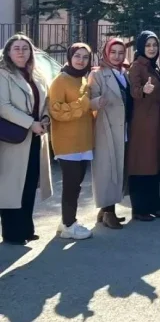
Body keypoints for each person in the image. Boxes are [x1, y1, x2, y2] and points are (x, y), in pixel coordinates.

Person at [0, 34, 53, 245]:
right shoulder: (3, 74)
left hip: (35, 137)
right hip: (13, 138)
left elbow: (46, 100)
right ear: (8, 52)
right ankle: (12, 233)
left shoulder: (36, 74)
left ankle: (26, 228)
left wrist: (46, 118)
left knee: (30, 182)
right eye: (16, 48)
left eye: (25, 48)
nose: (21, 52)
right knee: (12, 187)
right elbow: (3, 106)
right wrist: (30, 123)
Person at [49, 43, 95, 240]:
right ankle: (69, 225)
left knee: (77, 184)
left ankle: (66, 221)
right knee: (71, 185)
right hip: (67, 142)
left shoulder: (83, 79)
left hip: (84, 141)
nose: (81, 60)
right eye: (77, 56)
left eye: (85, 57)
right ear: (69, 57)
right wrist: (84, 104)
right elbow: (56, 111)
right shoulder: (60, 81)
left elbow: (87, 110)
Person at [89, 37, 131, 229]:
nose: (117, 56)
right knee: (108, 170)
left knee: (119, 168)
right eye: (113, 52)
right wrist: (98, 102)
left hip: (123, 126)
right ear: (106, 53)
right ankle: (108, 212)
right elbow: (90, 99)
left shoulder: (124, 73)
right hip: (106, 127)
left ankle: (105, 210)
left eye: (121, 53)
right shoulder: (98, 74)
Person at [128, 31, 160, 222]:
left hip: (155, 122)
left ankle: (154, 206)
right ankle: (139, 209)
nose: (152, 48)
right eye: (148, 45)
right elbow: (134, 89)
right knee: (141, 165)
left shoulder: (153, 66)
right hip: (143, 124)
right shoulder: (137, 66)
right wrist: (142, 90)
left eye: (154, 45)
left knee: (153, 165)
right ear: (141, 47)